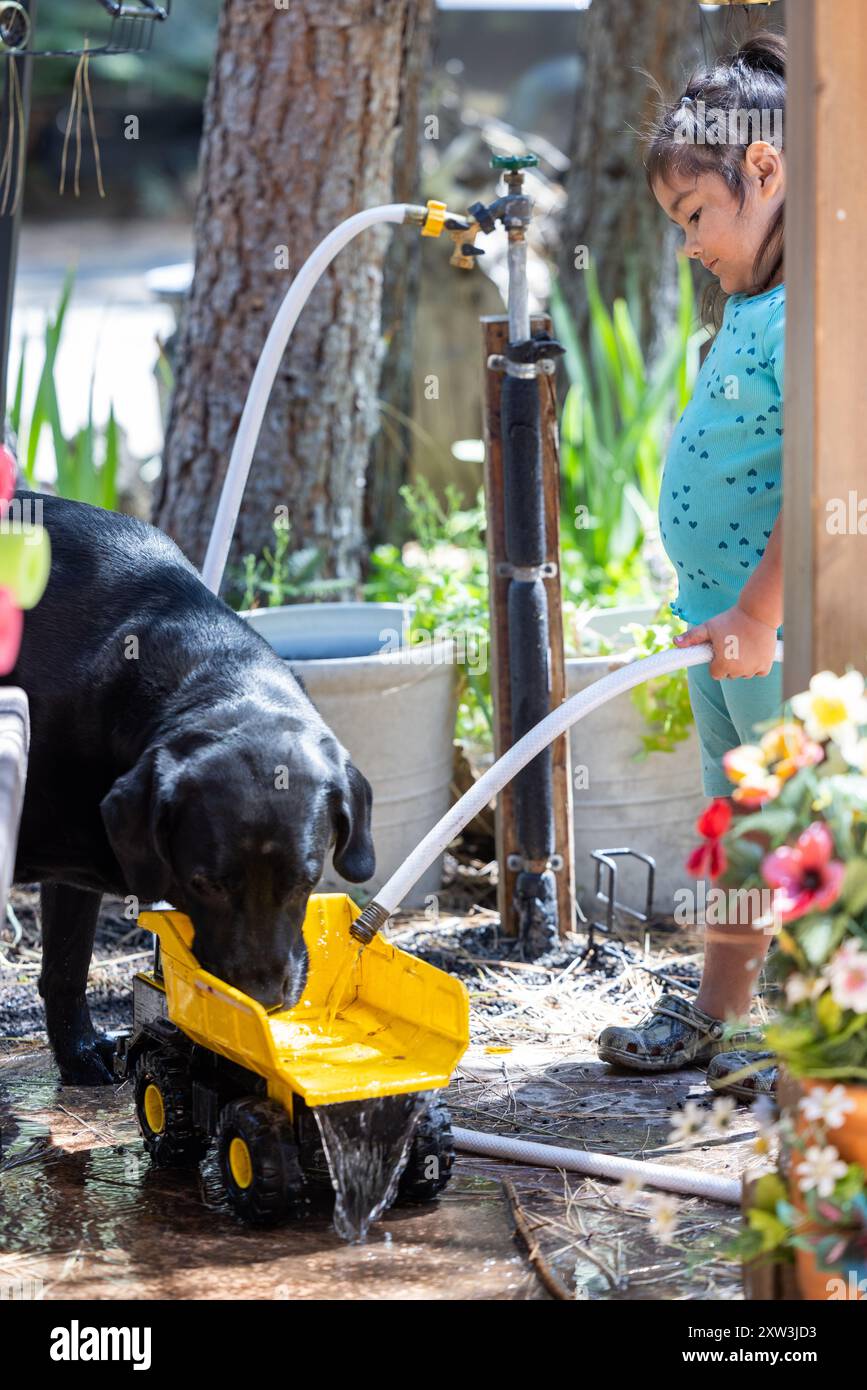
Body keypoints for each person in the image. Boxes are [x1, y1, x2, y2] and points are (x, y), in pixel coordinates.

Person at [596, 31, 787, 1101]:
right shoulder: (749, 314)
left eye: (694, 217)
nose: (687, 246)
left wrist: (758, 613)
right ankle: (720, 1009)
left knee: (805, 822)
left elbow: (819, 481)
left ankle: (825, 1024)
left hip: (771, 633)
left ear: (762, 172)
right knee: (738, 821)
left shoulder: (808, 316)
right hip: (722, 628)